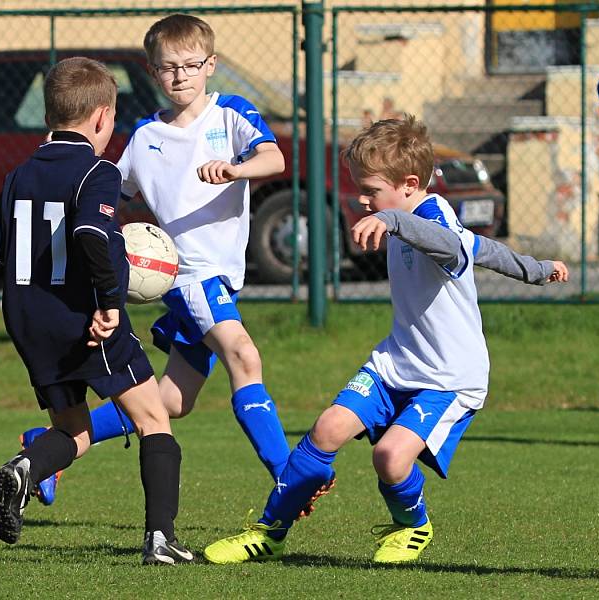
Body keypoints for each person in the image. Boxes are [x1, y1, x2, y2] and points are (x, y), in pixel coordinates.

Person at [204, 115, 570, 565]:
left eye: (371, 190)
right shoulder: (403, 216)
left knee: (391, 458)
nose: (362, 199)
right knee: (326, 429)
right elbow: (486, 250)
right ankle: (268, 532)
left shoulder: (431, 218)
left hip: (449, 378)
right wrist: (537, 269)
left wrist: (393, 219)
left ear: (410, 184)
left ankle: (413, 526)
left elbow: (453, 247)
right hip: (395, 363)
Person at [34, 13, 325, 508]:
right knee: (244, 356)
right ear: (152, 72)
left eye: (192, 65)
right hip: (190, 276)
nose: (181, 76)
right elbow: (105, 187)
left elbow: (274, 159)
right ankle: (287, 475)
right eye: (169, 67)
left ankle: (43, 444)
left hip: (221, 279)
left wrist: (235, 169)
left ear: (210, 65)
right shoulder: (146, 137)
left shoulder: (230, 114)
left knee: (171, 401)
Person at [0, 56, 193, 565]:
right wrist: (110, 304)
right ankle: (161, 539)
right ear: (100, 117)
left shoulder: (18, 175)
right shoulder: (97, 172)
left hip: (28, 322)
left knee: (74, 429)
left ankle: (25, 469)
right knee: (154, 420)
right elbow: (93, 235)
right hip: (88, 319)